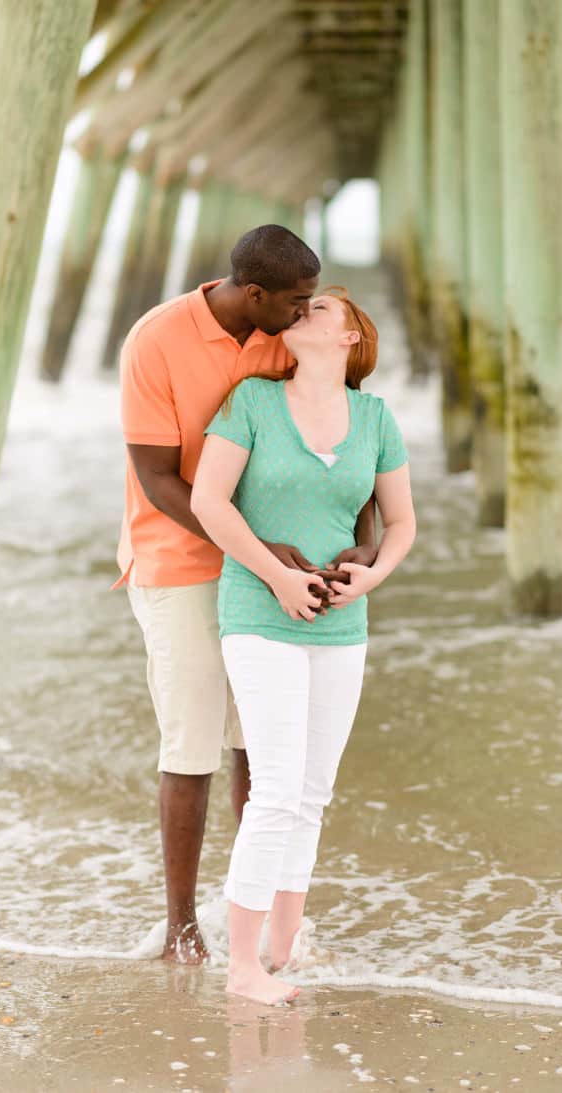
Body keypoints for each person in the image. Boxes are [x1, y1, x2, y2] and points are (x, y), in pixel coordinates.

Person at [118, 226, 378, 964]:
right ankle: (179, 926)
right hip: (177, 562)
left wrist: (353, 541)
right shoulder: (155, 340)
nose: (306, 315)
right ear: (255, 295)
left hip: (272, 567)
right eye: (296, 302)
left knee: (258, 750)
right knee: (192, 745)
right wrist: (262, 555)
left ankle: (257, 918)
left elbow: (347, 445)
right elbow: (158, 477)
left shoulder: (281, 335)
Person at [191, 287, 415, 1005]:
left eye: (322, 308)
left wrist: (371, 577)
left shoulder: (376, 418)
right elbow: (209, 503)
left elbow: (402, 521)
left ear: (351, 338)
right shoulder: (252, 402)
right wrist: (277, 577)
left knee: (312, 792)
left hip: (341, 624)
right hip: (258, 612)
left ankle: (283, 946)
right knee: (276, 788)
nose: (304, 310)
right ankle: (242, 964)